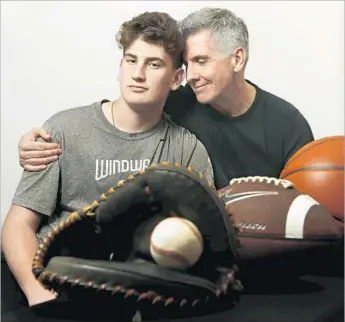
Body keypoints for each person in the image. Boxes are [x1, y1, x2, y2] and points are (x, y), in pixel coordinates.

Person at [1, 11, 214, 308]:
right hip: (55, 278)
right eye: (131, 60)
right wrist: (36, 290)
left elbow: (199, 238)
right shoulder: (64, 130)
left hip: (139, 285)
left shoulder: (187, 149)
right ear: (120, 65)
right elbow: (18, 224)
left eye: (153, 64)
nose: (138, 74)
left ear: (177, 78)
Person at [18, 7, 314, 189]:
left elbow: (311, 208)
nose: (191, 74)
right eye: (186, 64)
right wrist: (40, 140)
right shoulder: (176, 100)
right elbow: (119, 112)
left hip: (268, 254)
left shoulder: (287, 124)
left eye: (202, 60)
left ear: (237, 59)